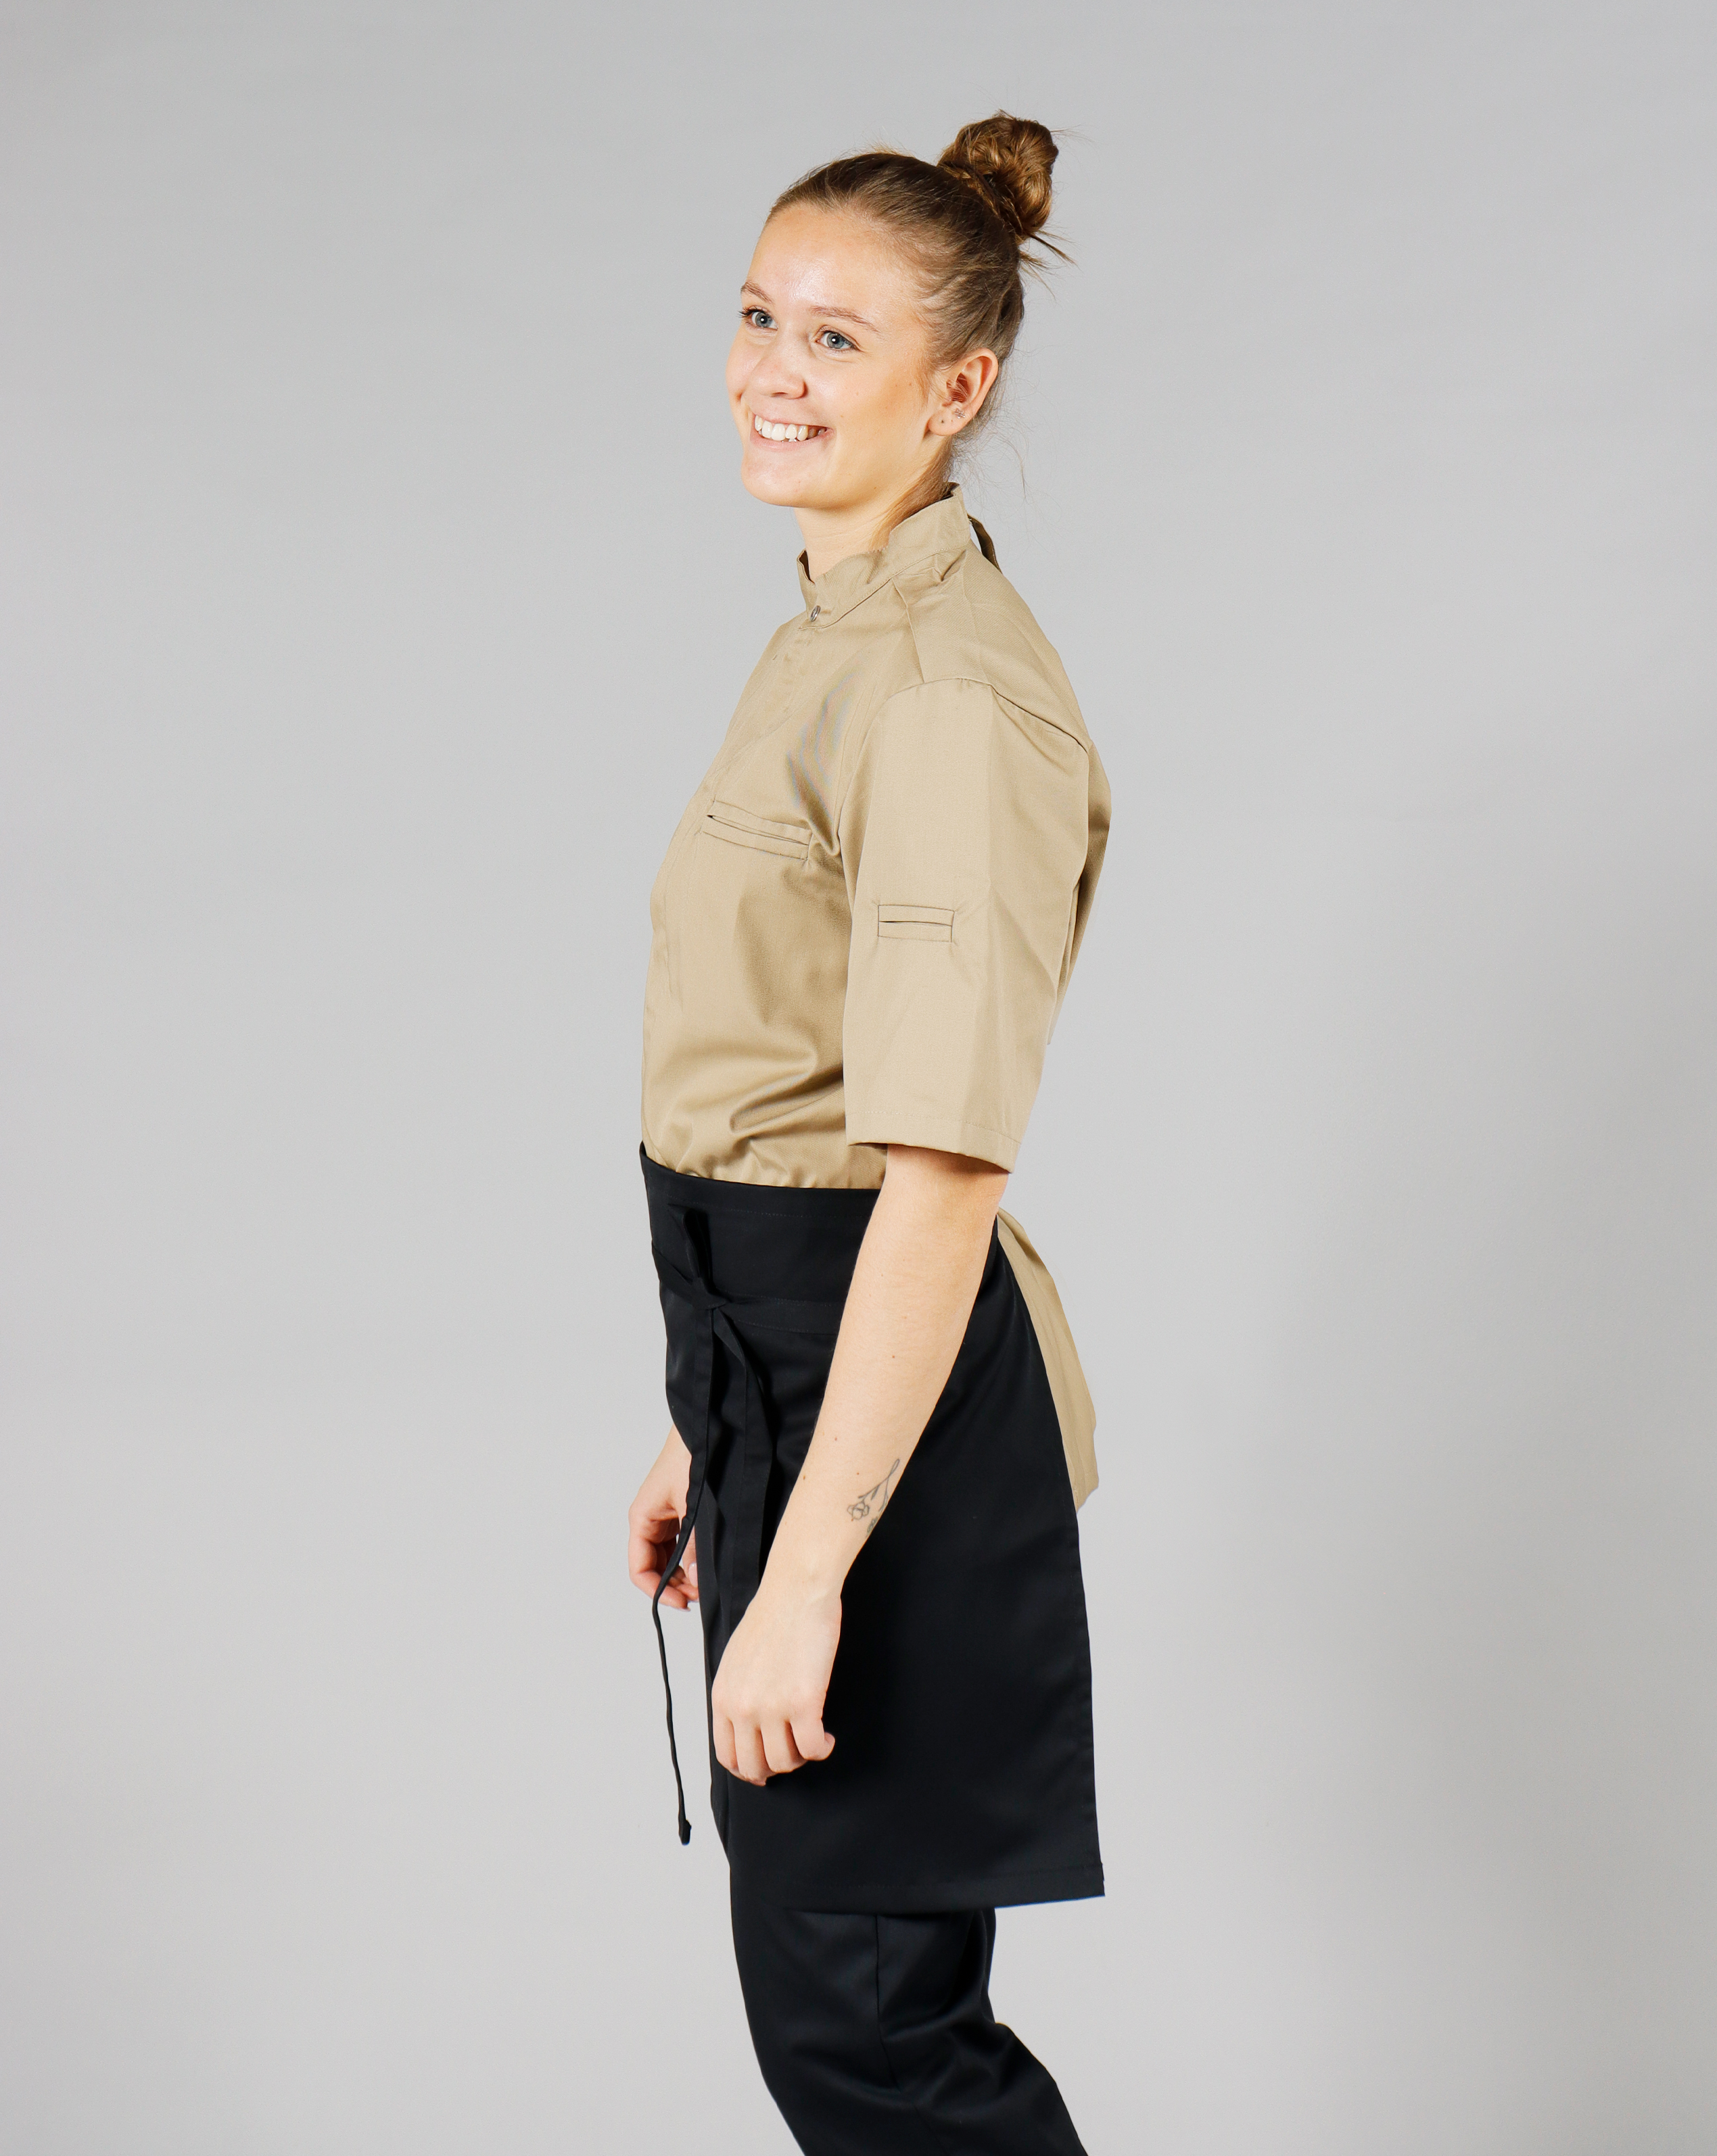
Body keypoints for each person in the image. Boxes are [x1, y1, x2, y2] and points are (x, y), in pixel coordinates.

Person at [626, 112, 1111, 2155]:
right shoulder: (838, 628)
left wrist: (811, 1564)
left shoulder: (939, 693)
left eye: (837, 339)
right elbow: (792, 1083)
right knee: (848, 2028)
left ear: (957, 388)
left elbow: (937, 1171)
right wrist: (707, 1421)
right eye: (761, 316)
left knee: (878, 2047)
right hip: (791, 1365)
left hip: (880, 1396)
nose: (774, 370)